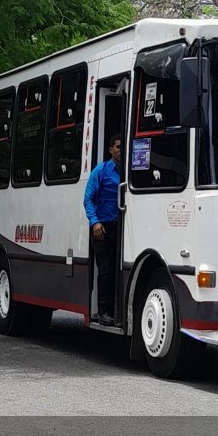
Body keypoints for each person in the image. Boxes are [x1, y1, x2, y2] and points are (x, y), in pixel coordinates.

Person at [83, 133, 121, 326]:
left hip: (120, 228)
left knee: (118, 270)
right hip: (102, 228)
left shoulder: (131, 171)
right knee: (105, 270)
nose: (121, 151)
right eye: (118, 147)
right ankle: (103, 312)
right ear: (110, 150)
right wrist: (95, 222)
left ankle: (116, 311)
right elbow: (88, 199)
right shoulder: (101, 170)